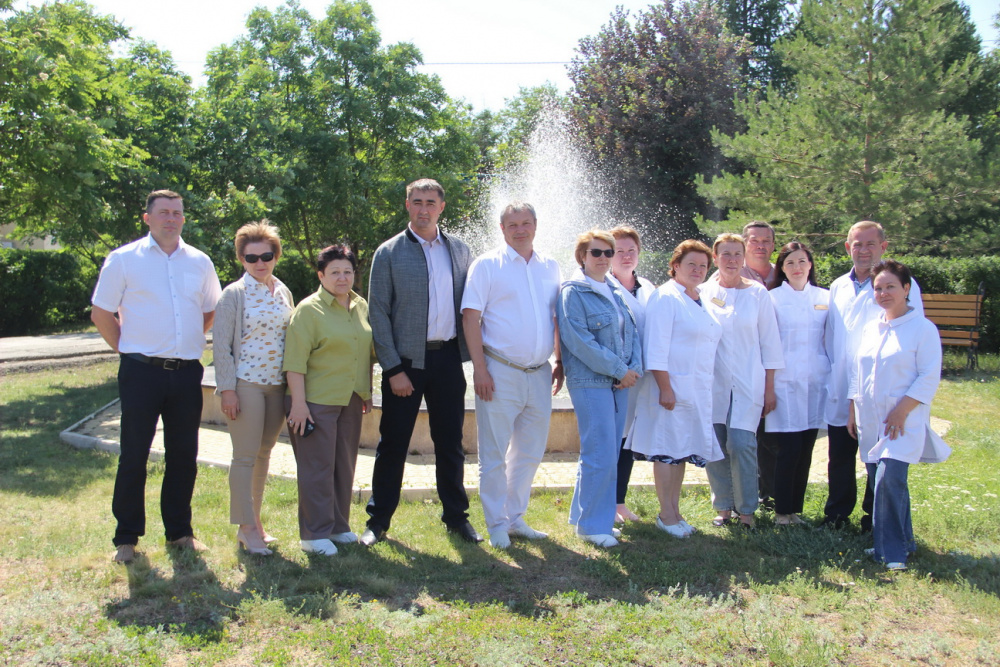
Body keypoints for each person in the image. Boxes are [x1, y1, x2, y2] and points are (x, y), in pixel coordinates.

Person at [91, 190, 222, 564]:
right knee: (134, 454)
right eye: (163, 212)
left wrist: (182, 342)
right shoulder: (124, 259)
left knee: (184, 456)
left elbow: (210, 310)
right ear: (147, 218)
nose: (171, 219)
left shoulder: (199, 261)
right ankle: (126, 538)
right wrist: (128, 349)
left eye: (177, 213)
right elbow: (101, 313)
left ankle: (179, 533)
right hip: (140, 373)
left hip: (186, 374)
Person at [363, 178, 482, 546]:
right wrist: (393, 368)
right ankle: (377, 521)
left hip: (447, 359)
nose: (424, 209)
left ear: (442, 207)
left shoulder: (460, 250)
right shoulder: (389, 252)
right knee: (393, 444)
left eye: (431, 202)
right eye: (417, 201)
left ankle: (457, 518)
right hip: (406, 364)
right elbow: (378, 313)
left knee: (450, 443)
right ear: (407, 205)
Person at [461, 202, 563, 549]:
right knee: (494, 454)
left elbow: (556, 318)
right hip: (499, 371)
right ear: (502, 229)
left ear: (536, 225)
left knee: (529, 452)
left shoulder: (550, 266)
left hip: (539, 373)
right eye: (513, 224)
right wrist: (480, 369)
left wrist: (559, 360)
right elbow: (470, 318)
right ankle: (496, 524)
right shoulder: (487, 265)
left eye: (526, 223)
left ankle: (515, 517)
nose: (520, 230)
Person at [848, 260, 949, 570]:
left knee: (889, 480)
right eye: (878, 288)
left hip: (902, 421)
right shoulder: (872, 327)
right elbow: (857, 371)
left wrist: (901, 411)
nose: (883, 293)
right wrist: (852, 409)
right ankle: (904, 541)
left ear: (906, 289)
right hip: (870, 418)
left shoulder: (923, 329)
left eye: (890, 286)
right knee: (883, 480)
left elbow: (928, 376)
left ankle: (891, 552)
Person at [824, 220, 923, 530]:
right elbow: (831, 336)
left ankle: (874, 517)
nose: (863, 250)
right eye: (857, 244)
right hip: (843, 383)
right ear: (847, 248)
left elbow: (912, 336)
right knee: (840, 455)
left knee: (878, 456)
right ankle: (837, 514)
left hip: (881, 388)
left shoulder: (899, 284)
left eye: (870, 244)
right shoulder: (838, 286)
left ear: (883, 246)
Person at [626, 240, 722, 538]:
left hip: (694, 389)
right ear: (676, 265)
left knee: (681, 451)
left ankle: (675, 512)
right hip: (670, 389)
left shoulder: (699, 297)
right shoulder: (666, 297)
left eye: (703, 265)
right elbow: (655, 348)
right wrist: (665, 388)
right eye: (691, 264)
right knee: (666, 450)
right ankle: (666, 516)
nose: (697, 270)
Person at [283, 244, 374, 556]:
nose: (342, 277)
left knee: (343, 466)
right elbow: (294, 362)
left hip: (350, 398)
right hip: (314, 401)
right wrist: (298, 404)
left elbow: (365, 352)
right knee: (317, 468)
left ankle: (337, 526)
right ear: (321, 275)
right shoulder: (308, 310)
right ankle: (313, 534)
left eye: (347, 271)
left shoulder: (360, 306)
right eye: (334, 272)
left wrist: (366, 391)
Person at [213, 221, 294, 555]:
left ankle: (256, 523)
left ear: (276, 256)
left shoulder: (283, 291)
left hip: (277, 385)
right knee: (245, 457)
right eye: (252, 257)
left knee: (264, 454)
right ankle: (245, 528)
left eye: (266, 256)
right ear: (241, 259)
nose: (260, 262)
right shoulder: (234, 294)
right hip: (246, 384)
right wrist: (227, 389)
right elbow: (221, 346)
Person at [558, 229, 642, 548]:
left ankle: (590, 518)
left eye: (609, 252)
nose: (604, 258)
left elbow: (631, 332)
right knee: (600, 453)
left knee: (606, 452)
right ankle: (592, 527)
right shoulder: (573, 292)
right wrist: (620, 369)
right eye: (596, 252)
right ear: (582, 256)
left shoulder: (614, 289)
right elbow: (578, 340)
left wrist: (633, 369)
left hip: (619, 383)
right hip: (591, 382)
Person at [700, 233, 784, 530]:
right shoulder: (703, 292)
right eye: (726, 254)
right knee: (715, 444)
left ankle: (747, 510)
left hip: (749, 381)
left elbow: (770, 343)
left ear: (744, 257)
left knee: (741, 443)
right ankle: (724, 507)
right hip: (712, 382)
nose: (732, 260)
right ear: (715, 258)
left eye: (737, 254)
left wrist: (770, 388)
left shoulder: (758, 293)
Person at [765, 242, 830, 526]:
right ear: (781, 267)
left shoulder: (825, 297)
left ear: (810, 265)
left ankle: (795, 511)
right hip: (784, 383)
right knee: (788, 449)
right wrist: (768, 386)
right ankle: (782, 511)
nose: (797, 267)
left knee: (806, 449)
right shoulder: (772, 298)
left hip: (816, 382)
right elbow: (767, 344)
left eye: (802, 261)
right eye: (790, 262)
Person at [606, 226, 657, 524]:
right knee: (613, 438)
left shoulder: (648, 287)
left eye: (631, 251)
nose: (626, 256)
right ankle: (605, 502)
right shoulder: (602, 286)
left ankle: (618, 502)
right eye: (619, 251)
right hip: (616, 376)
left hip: (643, 378)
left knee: (626, 439)